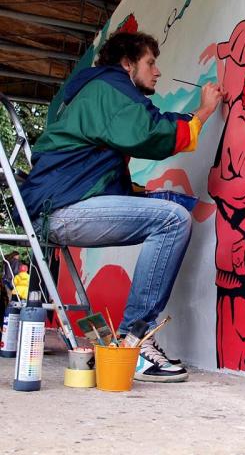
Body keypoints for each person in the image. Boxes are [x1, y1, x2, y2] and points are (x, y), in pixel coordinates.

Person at [20, 31, 222, 383]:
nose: (157, 71)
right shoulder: (109, 87)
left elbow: (101, 162)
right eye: (150, 63)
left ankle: (133, 337)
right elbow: (151, 132)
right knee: (173, 220)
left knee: (164, 211)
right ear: (128, 64)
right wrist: (204, 112)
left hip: (59, 207)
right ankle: (135, 340)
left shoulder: (98, 90)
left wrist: (139, 193)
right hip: (62, 211)